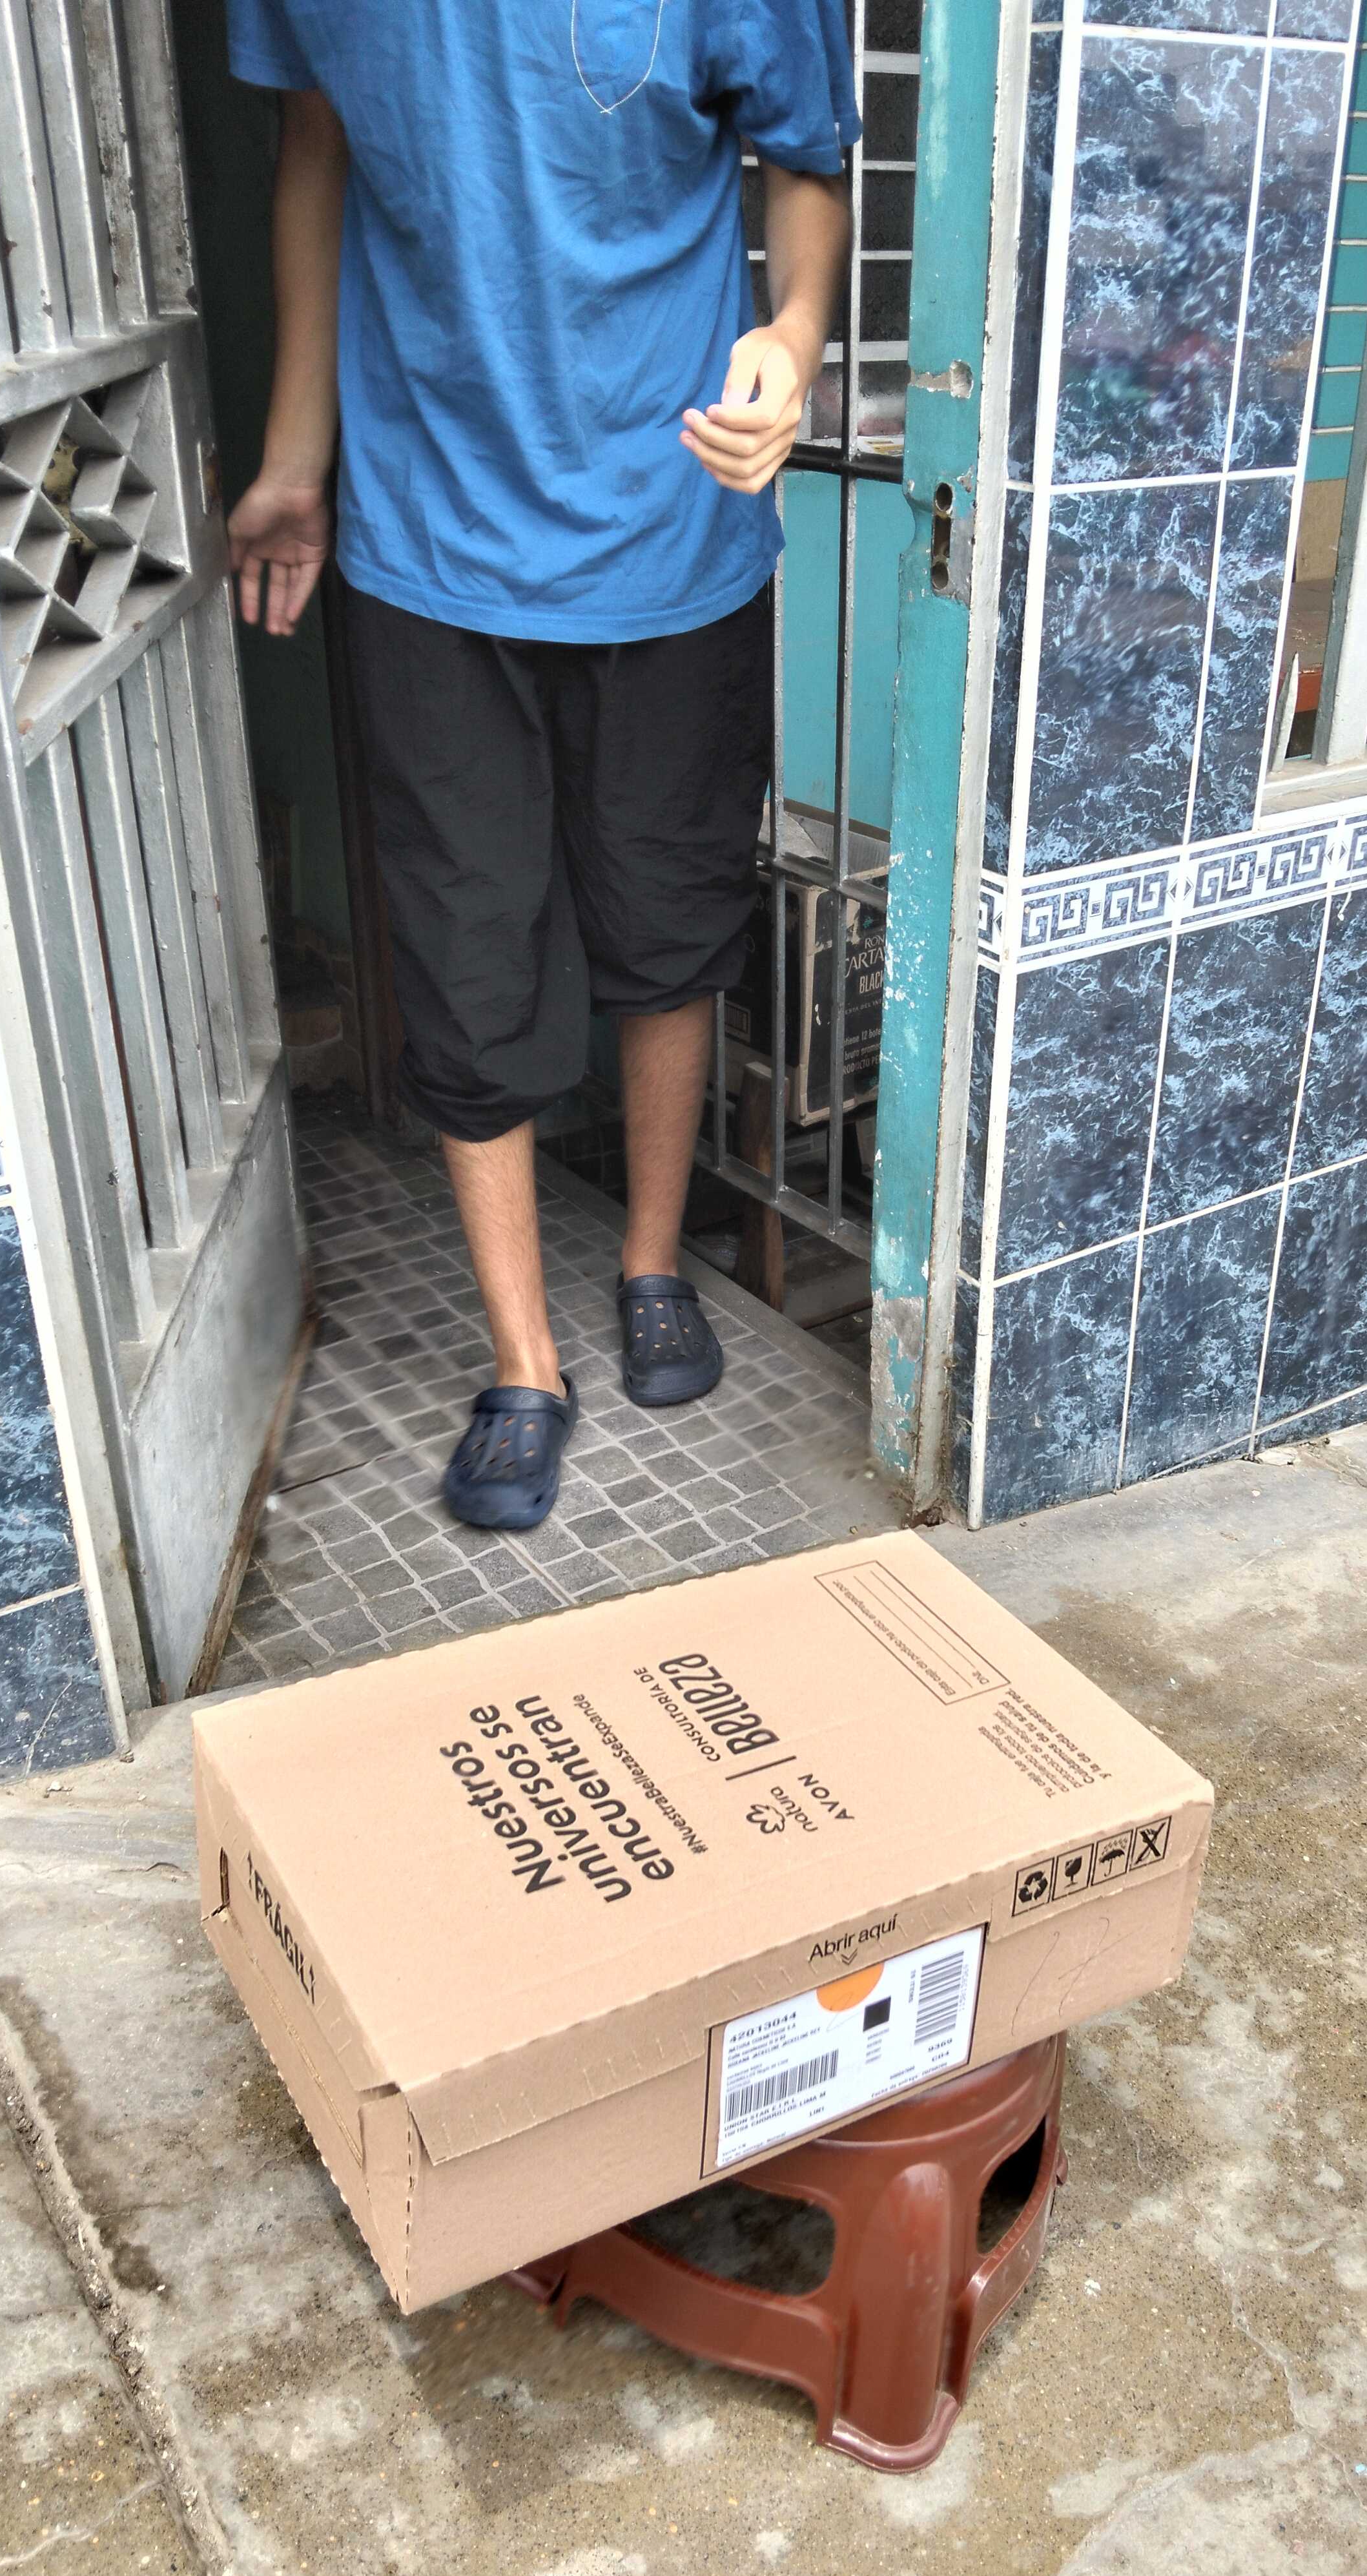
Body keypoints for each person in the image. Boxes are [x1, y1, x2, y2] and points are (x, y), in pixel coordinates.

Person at [224, 2, 857, 1531]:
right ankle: (525, 1364)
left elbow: (805, 164)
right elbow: (314, 146)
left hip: (675, 512)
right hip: (431, 529)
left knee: (669, 907)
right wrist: (298, 450)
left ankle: (651, 1263)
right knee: (465, 936)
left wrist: (794, 338)